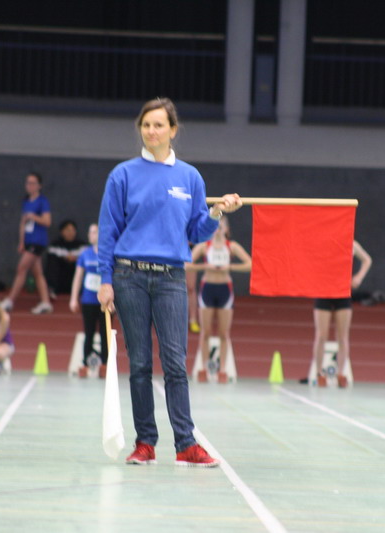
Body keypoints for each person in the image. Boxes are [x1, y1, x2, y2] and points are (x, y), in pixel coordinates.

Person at [97, 97, 243, 467]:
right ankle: (145, 442)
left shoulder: (190, 177)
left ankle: (186, 444)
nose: (151, 131)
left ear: (173, 130)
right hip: (128, 277)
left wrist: (215, 212)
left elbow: (196, 231)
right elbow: (108, 232)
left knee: (175, 363)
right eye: (146, 125)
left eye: (159, 125)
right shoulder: (122, 175)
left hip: (171, 278)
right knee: (140, 363)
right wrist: (105, 280)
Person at [187, 216, 252, 383]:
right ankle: (203, 368)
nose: (218, 229)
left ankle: (222, 370)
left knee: (224, 333)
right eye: (216, 226)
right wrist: (204, 266)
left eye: (221, 226)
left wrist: (230, 267)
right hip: (207, 289)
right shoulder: (204, 246)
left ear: (227, 229)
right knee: (206, 332)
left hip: (225, 290)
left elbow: (250, 264)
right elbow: (186, 264)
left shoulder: (232, 246)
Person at [311, 241, 372, 388]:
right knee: (321, 335)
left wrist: (358, 277)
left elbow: (367, 260)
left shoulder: (350, 243)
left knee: (342, 336)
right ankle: (319, 374)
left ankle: (341, 373)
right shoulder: (322, 241)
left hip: (343, 292)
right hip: (324, 291)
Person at [1, 173, 55, 314]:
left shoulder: (42, 201)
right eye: (28, 183)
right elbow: (23, 224)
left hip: (38, 241)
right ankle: (45, 302)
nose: (29, 186)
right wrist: (21, 242)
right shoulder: (26, 202)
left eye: (32, 183)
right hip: (29, 241)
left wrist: (34, 217)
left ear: (39, 185)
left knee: (21, 268)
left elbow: (47, 221)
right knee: (38, 273)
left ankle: (10, 300)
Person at [69, 223, 109, 378]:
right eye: (90, 232)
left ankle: (105, 364)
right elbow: (78, 277)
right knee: (89, 333)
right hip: (88, 301)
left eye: (94, 232)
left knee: (105, 334)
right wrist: (74, 298)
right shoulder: (85, 254)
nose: (91, 235)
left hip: (104, 302)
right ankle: (85, 364)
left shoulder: (108, 253)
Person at [46, 219, 88, 296]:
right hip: (60, 277)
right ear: (62, 231)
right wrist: (66, 258)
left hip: (75, 273)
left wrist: (75, 259)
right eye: (67, 230)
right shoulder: (55, 244)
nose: (70, 232)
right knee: (53, 264)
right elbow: (53, 254)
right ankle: (52, 289)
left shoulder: (82, 245)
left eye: (72, 230)